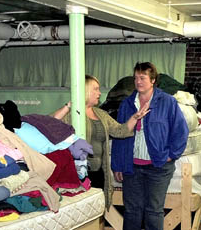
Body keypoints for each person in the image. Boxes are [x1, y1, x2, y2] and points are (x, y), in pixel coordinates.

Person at [111, 62, 189, 230]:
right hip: (132, 165)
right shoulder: (127, 104)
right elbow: (120, 134)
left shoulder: (167, 102)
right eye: (136, 78)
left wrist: (172, 154)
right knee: (132, 209)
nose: (138, 81)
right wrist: (117, 164)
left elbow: (181, 131)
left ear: (153, 80)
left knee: (154, 209)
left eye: (142, 78)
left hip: (158, 166)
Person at [53, 75, 149, 208]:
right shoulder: (71, 114)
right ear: (85, 90)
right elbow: (50, 124)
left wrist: (135, 118)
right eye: (96, 89)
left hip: (99, 173)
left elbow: (119, 131)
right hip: (77, 174)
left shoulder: (101, 114)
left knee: (97, 211)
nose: (99, 93)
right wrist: (68, 106)